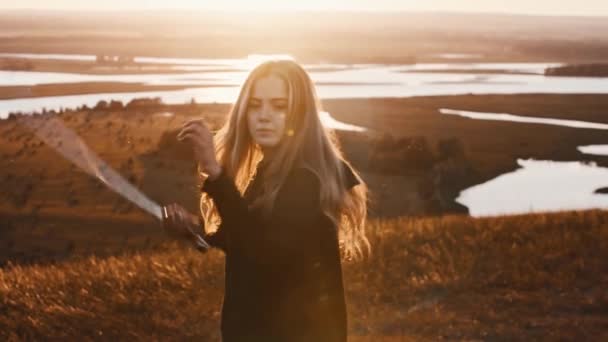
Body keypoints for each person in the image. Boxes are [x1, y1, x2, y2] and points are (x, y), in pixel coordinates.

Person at [163, 59, 370, 342]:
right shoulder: (274, 171)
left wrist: (215, 171)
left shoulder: (304, 179)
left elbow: (261, 251)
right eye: (255, 105)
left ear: (300, 113)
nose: (263, 115)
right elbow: (247, 235)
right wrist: (195, 231)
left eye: (279, 106)